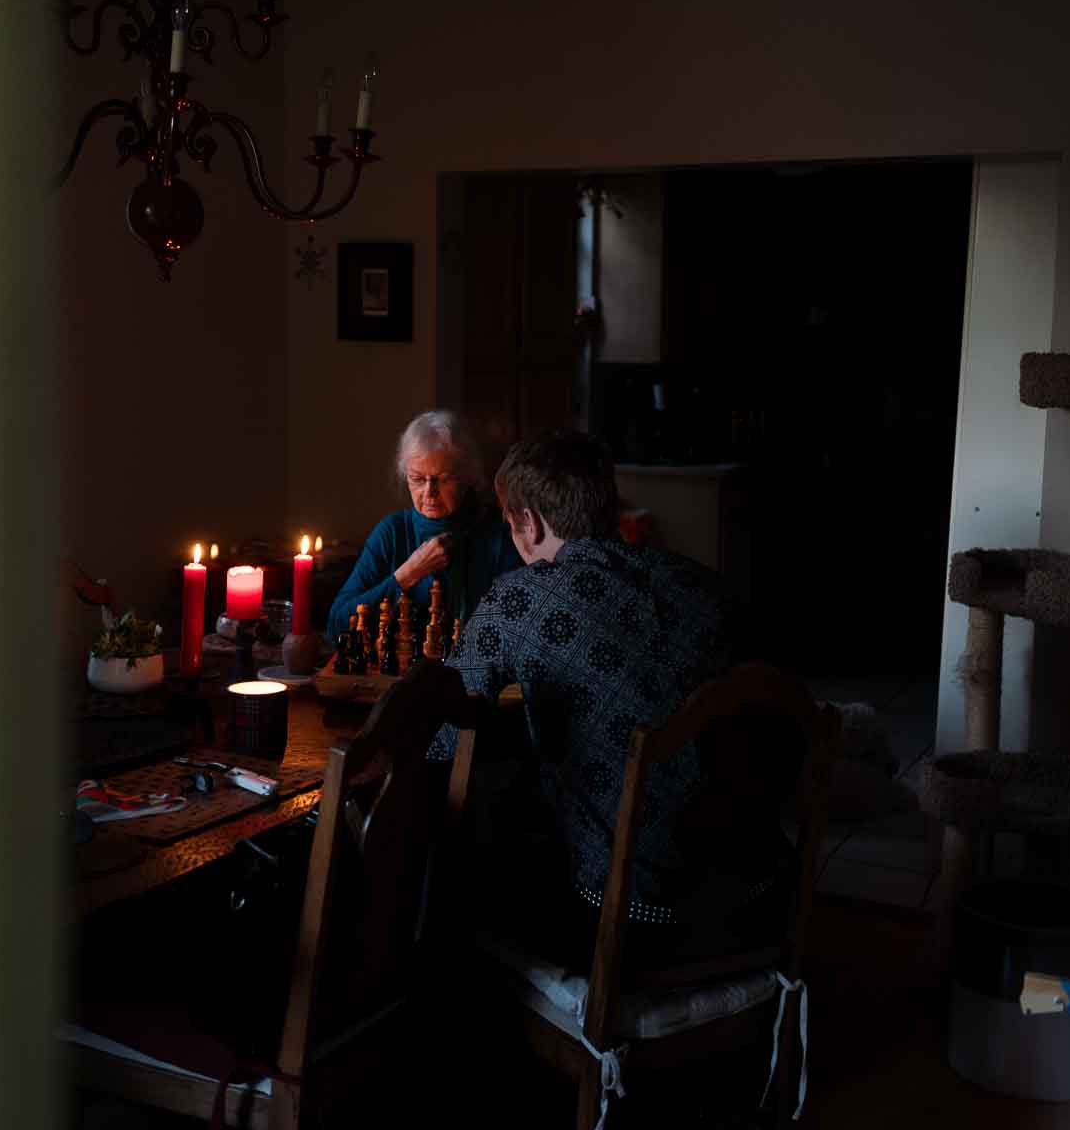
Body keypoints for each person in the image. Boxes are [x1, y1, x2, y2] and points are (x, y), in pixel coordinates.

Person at [432, 430, 787, 969]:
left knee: (474, 865)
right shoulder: (701, 582)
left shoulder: (517, 598)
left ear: (529, 521)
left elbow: (440, 742)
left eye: (510, 522)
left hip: (635, 925)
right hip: (759, 900)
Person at [324, 410, 521, 640]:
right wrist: (408, 573)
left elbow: (514, 629)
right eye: (417, 479)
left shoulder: (498, 532)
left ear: (468, 475)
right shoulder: (393, 532)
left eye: (444, 479)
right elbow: (336, 625)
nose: (430, 493)